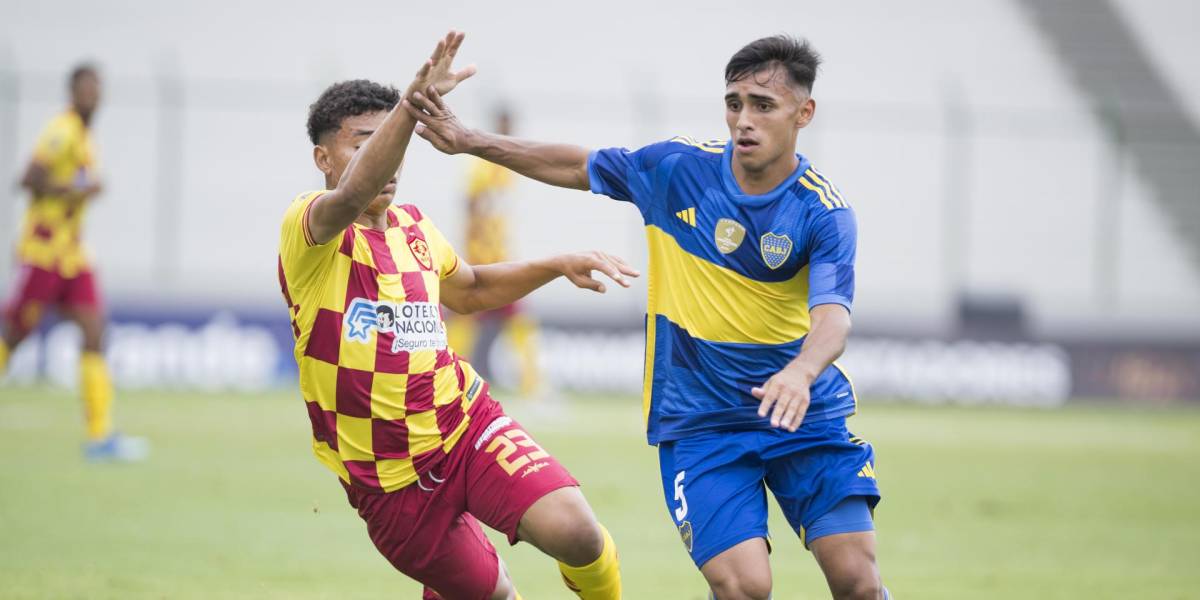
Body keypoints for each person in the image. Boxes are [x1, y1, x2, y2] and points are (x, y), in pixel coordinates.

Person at [405, 35, 891, 599]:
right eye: (734, 103)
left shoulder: (822, 212)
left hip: (799, 416)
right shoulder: (679, 169)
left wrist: (801, 372)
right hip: (701, 422)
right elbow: (577, 164)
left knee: (857, 581)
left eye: (764, 105)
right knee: (744, 588)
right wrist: (470, 140)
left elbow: (833, 317)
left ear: (803, 113)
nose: (744, 120)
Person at [277, 32, 628, 600]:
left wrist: (556, 262)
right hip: (387, 482)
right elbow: (354, 190)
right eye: (362, 145)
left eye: (389, 143)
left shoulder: (414, 225)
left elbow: (468, 289)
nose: (386, 164)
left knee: (579, 533)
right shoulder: (310, 228)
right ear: (323, 158)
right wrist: (411, 107)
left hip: (465, 426)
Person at [1, 63, 147, 462]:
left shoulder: (84, 135)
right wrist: (77, 188)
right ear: (72, 92)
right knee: (14, 333)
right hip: (44, 250)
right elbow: (28, 178)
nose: (93, 95)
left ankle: (99, 437)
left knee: (94, 328)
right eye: (86, 89)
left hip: (72, 253)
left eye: (97, 89)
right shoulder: (62, 129)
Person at [446, 106, 545, 398]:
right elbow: (471, 206)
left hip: (499, 256)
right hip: (484, 258)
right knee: (470, 319)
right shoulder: (484, 166)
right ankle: (444, 378)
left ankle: (532, 386)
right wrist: (474, 252)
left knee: (509, 322)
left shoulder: (505, 167)